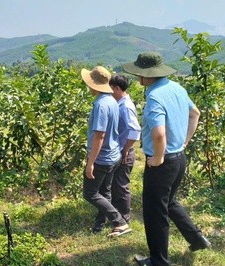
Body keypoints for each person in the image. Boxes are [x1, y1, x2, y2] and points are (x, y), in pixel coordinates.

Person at [121, 52, 210, 266]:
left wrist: (158, 159)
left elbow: (159, 134)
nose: (136, 77)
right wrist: (184, 141)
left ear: (145, 75)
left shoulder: (154, 97)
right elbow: (195, 113)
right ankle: (197, 239)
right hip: (179, 158)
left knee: (154, 212)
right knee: (169, 202)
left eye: (138, 73)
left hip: (163, 163)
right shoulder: (177, 88)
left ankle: (158, 261)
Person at [81, 66, 132, 237]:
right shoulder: (111, 100)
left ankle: (119, 221)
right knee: (105, 192)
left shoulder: (101, 104)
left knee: (89, 193)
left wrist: (90, 163)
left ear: (93, 84)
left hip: (101, 158)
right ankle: (98, 225)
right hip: (113, 155)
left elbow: (99, 136)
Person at [109, 74, 141, 224]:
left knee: (121, 187)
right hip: (121, 151)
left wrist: (125, 150)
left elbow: (135, 131)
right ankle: (116, 217)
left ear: (116, 88)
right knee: (116, 185)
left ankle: (124, 220)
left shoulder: (126, 107)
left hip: (124, 152)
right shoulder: (120, 104)